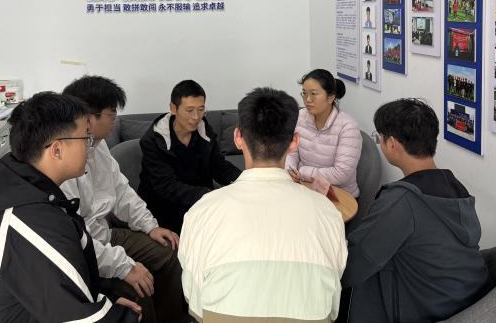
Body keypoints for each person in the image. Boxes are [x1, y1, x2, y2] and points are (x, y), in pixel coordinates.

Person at [0, 92, 139, 322]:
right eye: (85, 138)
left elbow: (55, 286)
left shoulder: (12, 190)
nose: (89, 146)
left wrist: (104, 302)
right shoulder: (31, 221)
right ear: (56, 150)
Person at [179, 87, 347, 322]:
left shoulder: (203, 211)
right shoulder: (327, 212)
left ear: (238, 138)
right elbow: (332, 299)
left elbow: (194, 300)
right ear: (294, 142)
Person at [339, 99, 489, 323]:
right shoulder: (455, 187)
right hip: (465, 304)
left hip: (423, 310)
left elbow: (352, 267)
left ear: (392, 144)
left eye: (379, 137)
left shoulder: (401, 202)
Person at [62, 76, 186, 323]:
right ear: (89, 118)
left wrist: (150, 226)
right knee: (138, 288)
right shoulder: (65, 164)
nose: (115, 120)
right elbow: (77, 240)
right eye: (111, 114)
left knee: (169, 252)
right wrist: (125, 267)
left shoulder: (99, 147)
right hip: (86, 252)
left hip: (105, 235)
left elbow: (121, 190)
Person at [138, 79, 241, 234]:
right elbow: (166, 187)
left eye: (201, 109)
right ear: (173, 108)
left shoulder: (204, 130)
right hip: (163, 210)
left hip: (199, 205)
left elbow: (219, 167)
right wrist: (210, 195)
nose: (196, 117)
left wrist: (245, 180)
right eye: (190, 110)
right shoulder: (153, 141)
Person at [286, 69, 362, 197]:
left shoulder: (348, 127)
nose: (308, 99)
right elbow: (291, 152)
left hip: (338, 195)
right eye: (304, 93)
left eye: (313, 94)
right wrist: (290, 169)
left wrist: (303, 172)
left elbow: (341, 173)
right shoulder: (300, 116)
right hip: (305, 187)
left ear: (331, 97)